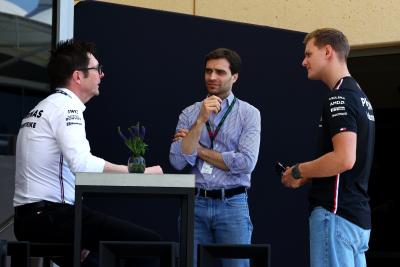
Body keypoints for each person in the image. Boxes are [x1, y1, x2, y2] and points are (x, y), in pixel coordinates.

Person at [13, 39, 162, 266]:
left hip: (32, 219)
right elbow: (82, 164)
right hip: (52, 217)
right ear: (78, 76)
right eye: (97, 69)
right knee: (153, 245)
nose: (102, 75)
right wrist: (137, 172)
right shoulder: (67, 107)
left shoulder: (43, 107)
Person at [281, 28, 375, 267]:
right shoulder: (361, 97)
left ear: (327, 51)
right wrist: (309, 175)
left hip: (336, 216)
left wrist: (298, 171)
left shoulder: (339, 97)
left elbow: (344, 159)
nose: (304, 62)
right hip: (355, 219)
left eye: (308, 54)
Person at [169, 48, 261, 267]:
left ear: (234, 77)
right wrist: (200, 121)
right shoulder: (190, 113)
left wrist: (198, 149)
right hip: (195, 203)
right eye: (208, 71)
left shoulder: (249, 114)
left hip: (232, 203)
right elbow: (178, 161)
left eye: (220, 72)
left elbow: (246, 163)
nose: (211, 77)